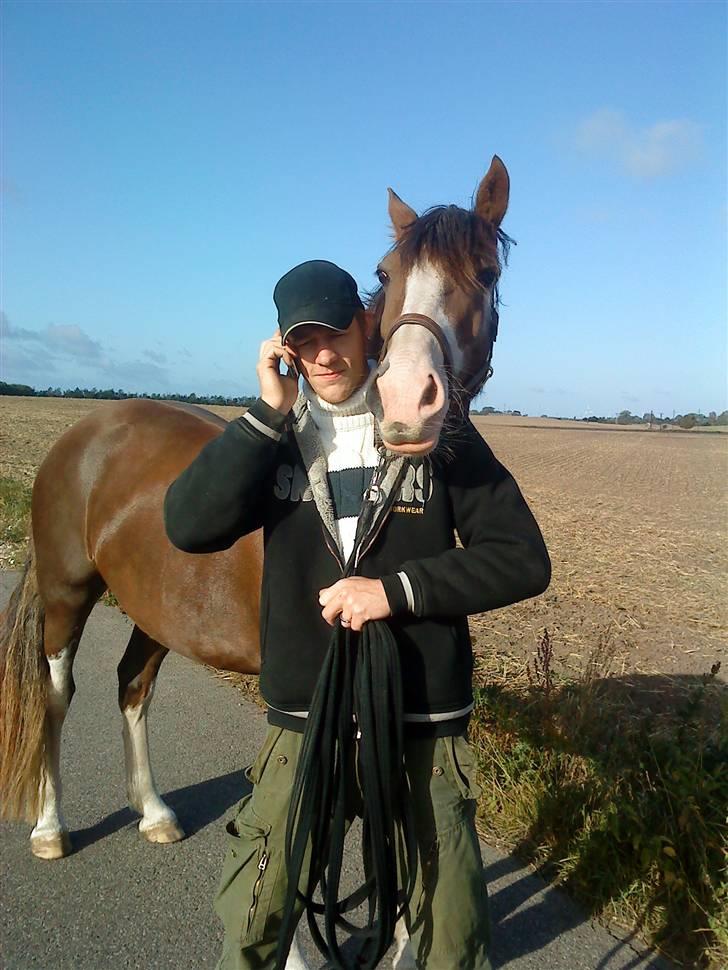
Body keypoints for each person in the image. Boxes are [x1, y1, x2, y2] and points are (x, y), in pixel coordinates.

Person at [163, 259, 551, 970]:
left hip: (421, 721)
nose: (322, 355)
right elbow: (187, 525)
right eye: (302, 341)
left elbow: (524, 557)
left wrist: (394, 591)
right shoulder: (274, 437)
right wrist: (266, 412)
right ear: (284, 348)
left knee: (451, 936)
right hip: (304, 721)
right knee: (255, 915)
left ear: (366, 324)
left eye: (334, 333)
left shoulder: (434, 426)